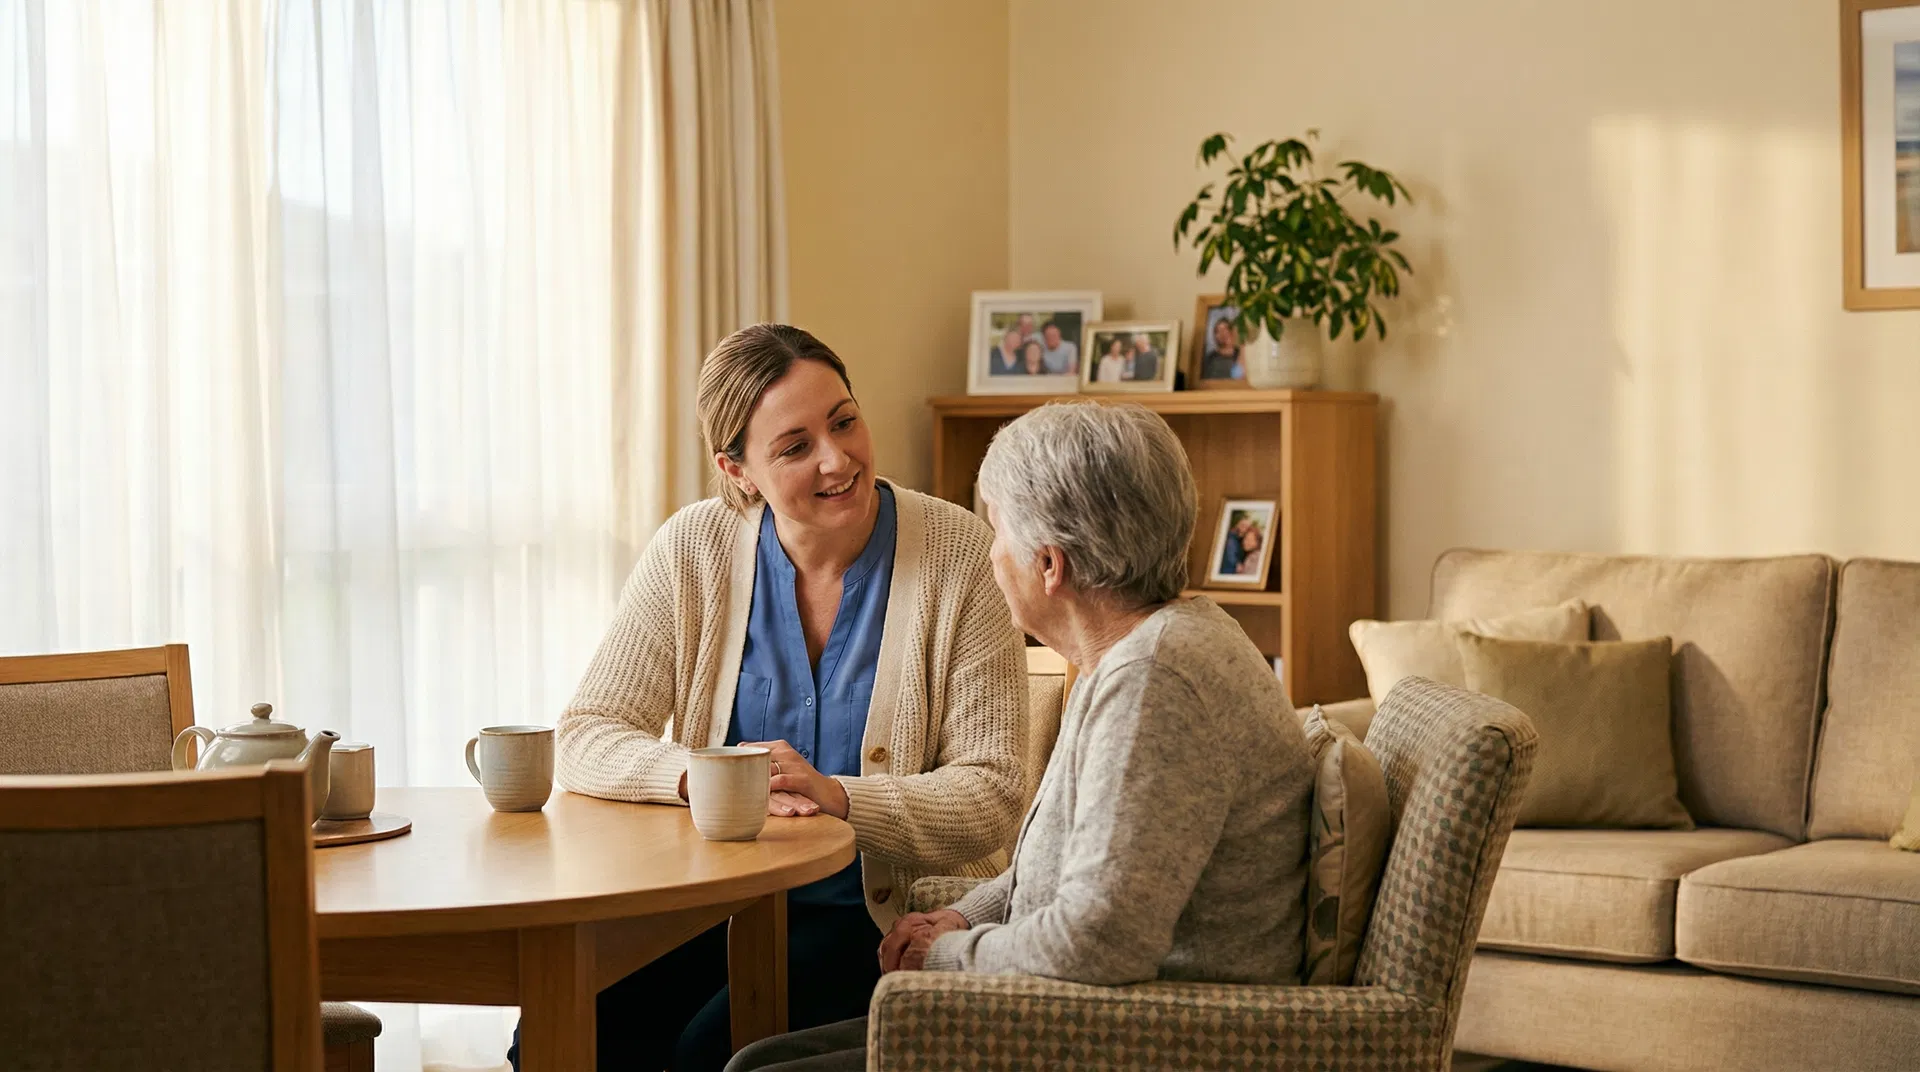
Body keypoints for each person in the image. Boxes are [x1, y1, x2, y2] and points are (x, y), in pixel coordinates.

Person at [726, 401, 1316, 1072]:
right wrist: (963, 918)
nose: (990, 550)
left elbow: (1099, 941)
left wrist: (943, 955)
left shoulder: (1156, 681)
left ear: (1048, 566)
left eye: (997, 528)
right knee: (755, 1060)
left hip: (1140, 1033)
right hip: (1082, 1010)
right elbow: (1059, 869)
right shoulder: (1132, 652)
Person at [516, 324, 1028, 1072]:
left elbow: (994, 794)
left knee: (706, 1052)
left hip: (874, 918)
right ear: (739, 469)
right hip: (710, 909)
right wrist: (702, 777)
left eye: (845, 420)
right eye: (794, 447)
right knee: (557, 1038)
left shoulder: (957, 553)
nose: (837, 458)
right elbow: (587, 733)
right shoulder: (694, 548)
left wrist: (839, 797)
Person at [1201, 316, 1243, 380]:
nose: (1223, 333)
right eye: (1218, 331)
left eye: (1226, 329)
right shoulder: (1210, 358)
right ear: (1215, 336)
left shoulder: (1241, 354)